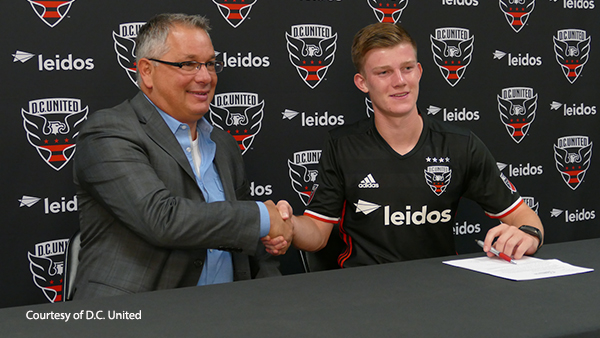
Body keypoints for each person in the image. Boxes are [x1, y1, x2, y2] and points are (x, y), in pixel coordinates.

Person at [265, 23, 543, 267]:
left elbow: (523, 216)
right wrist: (287, 226)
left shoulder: (460, 144)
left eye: (407, 68)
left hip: (440, 290)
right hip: (365, 292)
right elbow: (317, 232)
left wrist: (528, 235)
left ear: (419, 71)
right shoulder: (342, 146)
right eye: (384, 72)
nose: (400, 82)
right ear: (363, 82)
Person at [72, 13, 291, 299]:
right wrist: (264, 217)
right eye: (188, 64)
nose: (205, 77)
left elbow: (242, 234)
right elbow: (162, 219)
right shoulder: (108, 132)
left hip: (229, 312)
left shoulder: (223, 144)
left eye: (210, 64)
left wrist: (272, 244)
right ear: (147, 71)